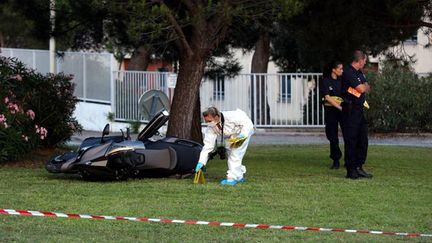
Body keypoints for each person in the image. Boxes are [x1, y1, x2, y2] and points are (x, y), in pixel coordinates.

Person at [195, 107, 255, 185]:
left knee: (235, 155)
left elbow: (247, 123)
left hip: (242, 133)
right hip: (231, 137)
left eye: (209, 121)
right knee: (231, 155)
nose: (208, 123)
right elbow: (207, 146)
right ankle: (239, 176)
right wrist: (201, 162)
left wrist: (243, 135)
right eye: (206, 121)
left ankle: (231, 178)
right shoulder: (211, 127)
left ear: (216, 117)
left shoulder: (232, 116)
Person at [341, 50, 373, 179]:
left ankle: (359, 166)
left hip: (360, 109)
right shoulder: (348, 72)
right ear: (359, 61)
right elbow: (361, 88)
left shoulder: (359, 73)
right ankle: (351, 169)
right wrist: (362, 87)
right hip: (350, 110)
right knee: (351, 140)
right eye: (364, 60)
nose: (365, 63)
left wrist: (363, 86)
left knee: (363, 139)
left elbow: (367, 87)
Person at [320, 61, 344, 169]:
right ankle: (336, 159)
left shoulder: (343, 81)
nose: (342, 71)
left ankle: (349, 160)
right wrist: (339, 107)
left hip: (343, 111)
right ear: (333, 70)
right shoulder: (326, 81)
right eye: (340, 69)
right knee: (332, 136)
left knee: (348, 135)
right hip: (331, 112)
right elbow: (327, 97)